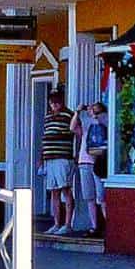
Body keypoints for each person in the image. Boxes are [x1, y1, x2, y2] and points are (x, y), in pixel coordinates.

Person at [40, 89, 79, 235]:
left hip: (63, 157)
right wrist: (41, 158)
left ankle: (68, 223)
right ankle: (56, 223)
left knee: (66, 190)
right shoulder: (47, 118)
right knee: (54, 192)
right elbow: (44, 138)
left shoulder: (68, 115)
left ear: (61, 102)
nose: (54, 105)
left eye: (56, 102)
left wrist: (76, 154)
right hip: (50, 158)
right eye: (51, 102)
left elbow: (76, 133)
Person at [74, 102, 108, 238]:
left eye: (95, 109)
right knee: (90, 197)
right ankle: (94, 226)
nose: (91, 111)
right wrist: (77, 112)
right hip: (85, 162)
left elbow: (103, 121)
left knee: (102, 197)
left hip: (99, 161)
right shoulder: (86, 125)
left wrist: (94, 114)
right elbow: (72, 127)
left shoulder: (103, 120)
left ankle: (108, 226)